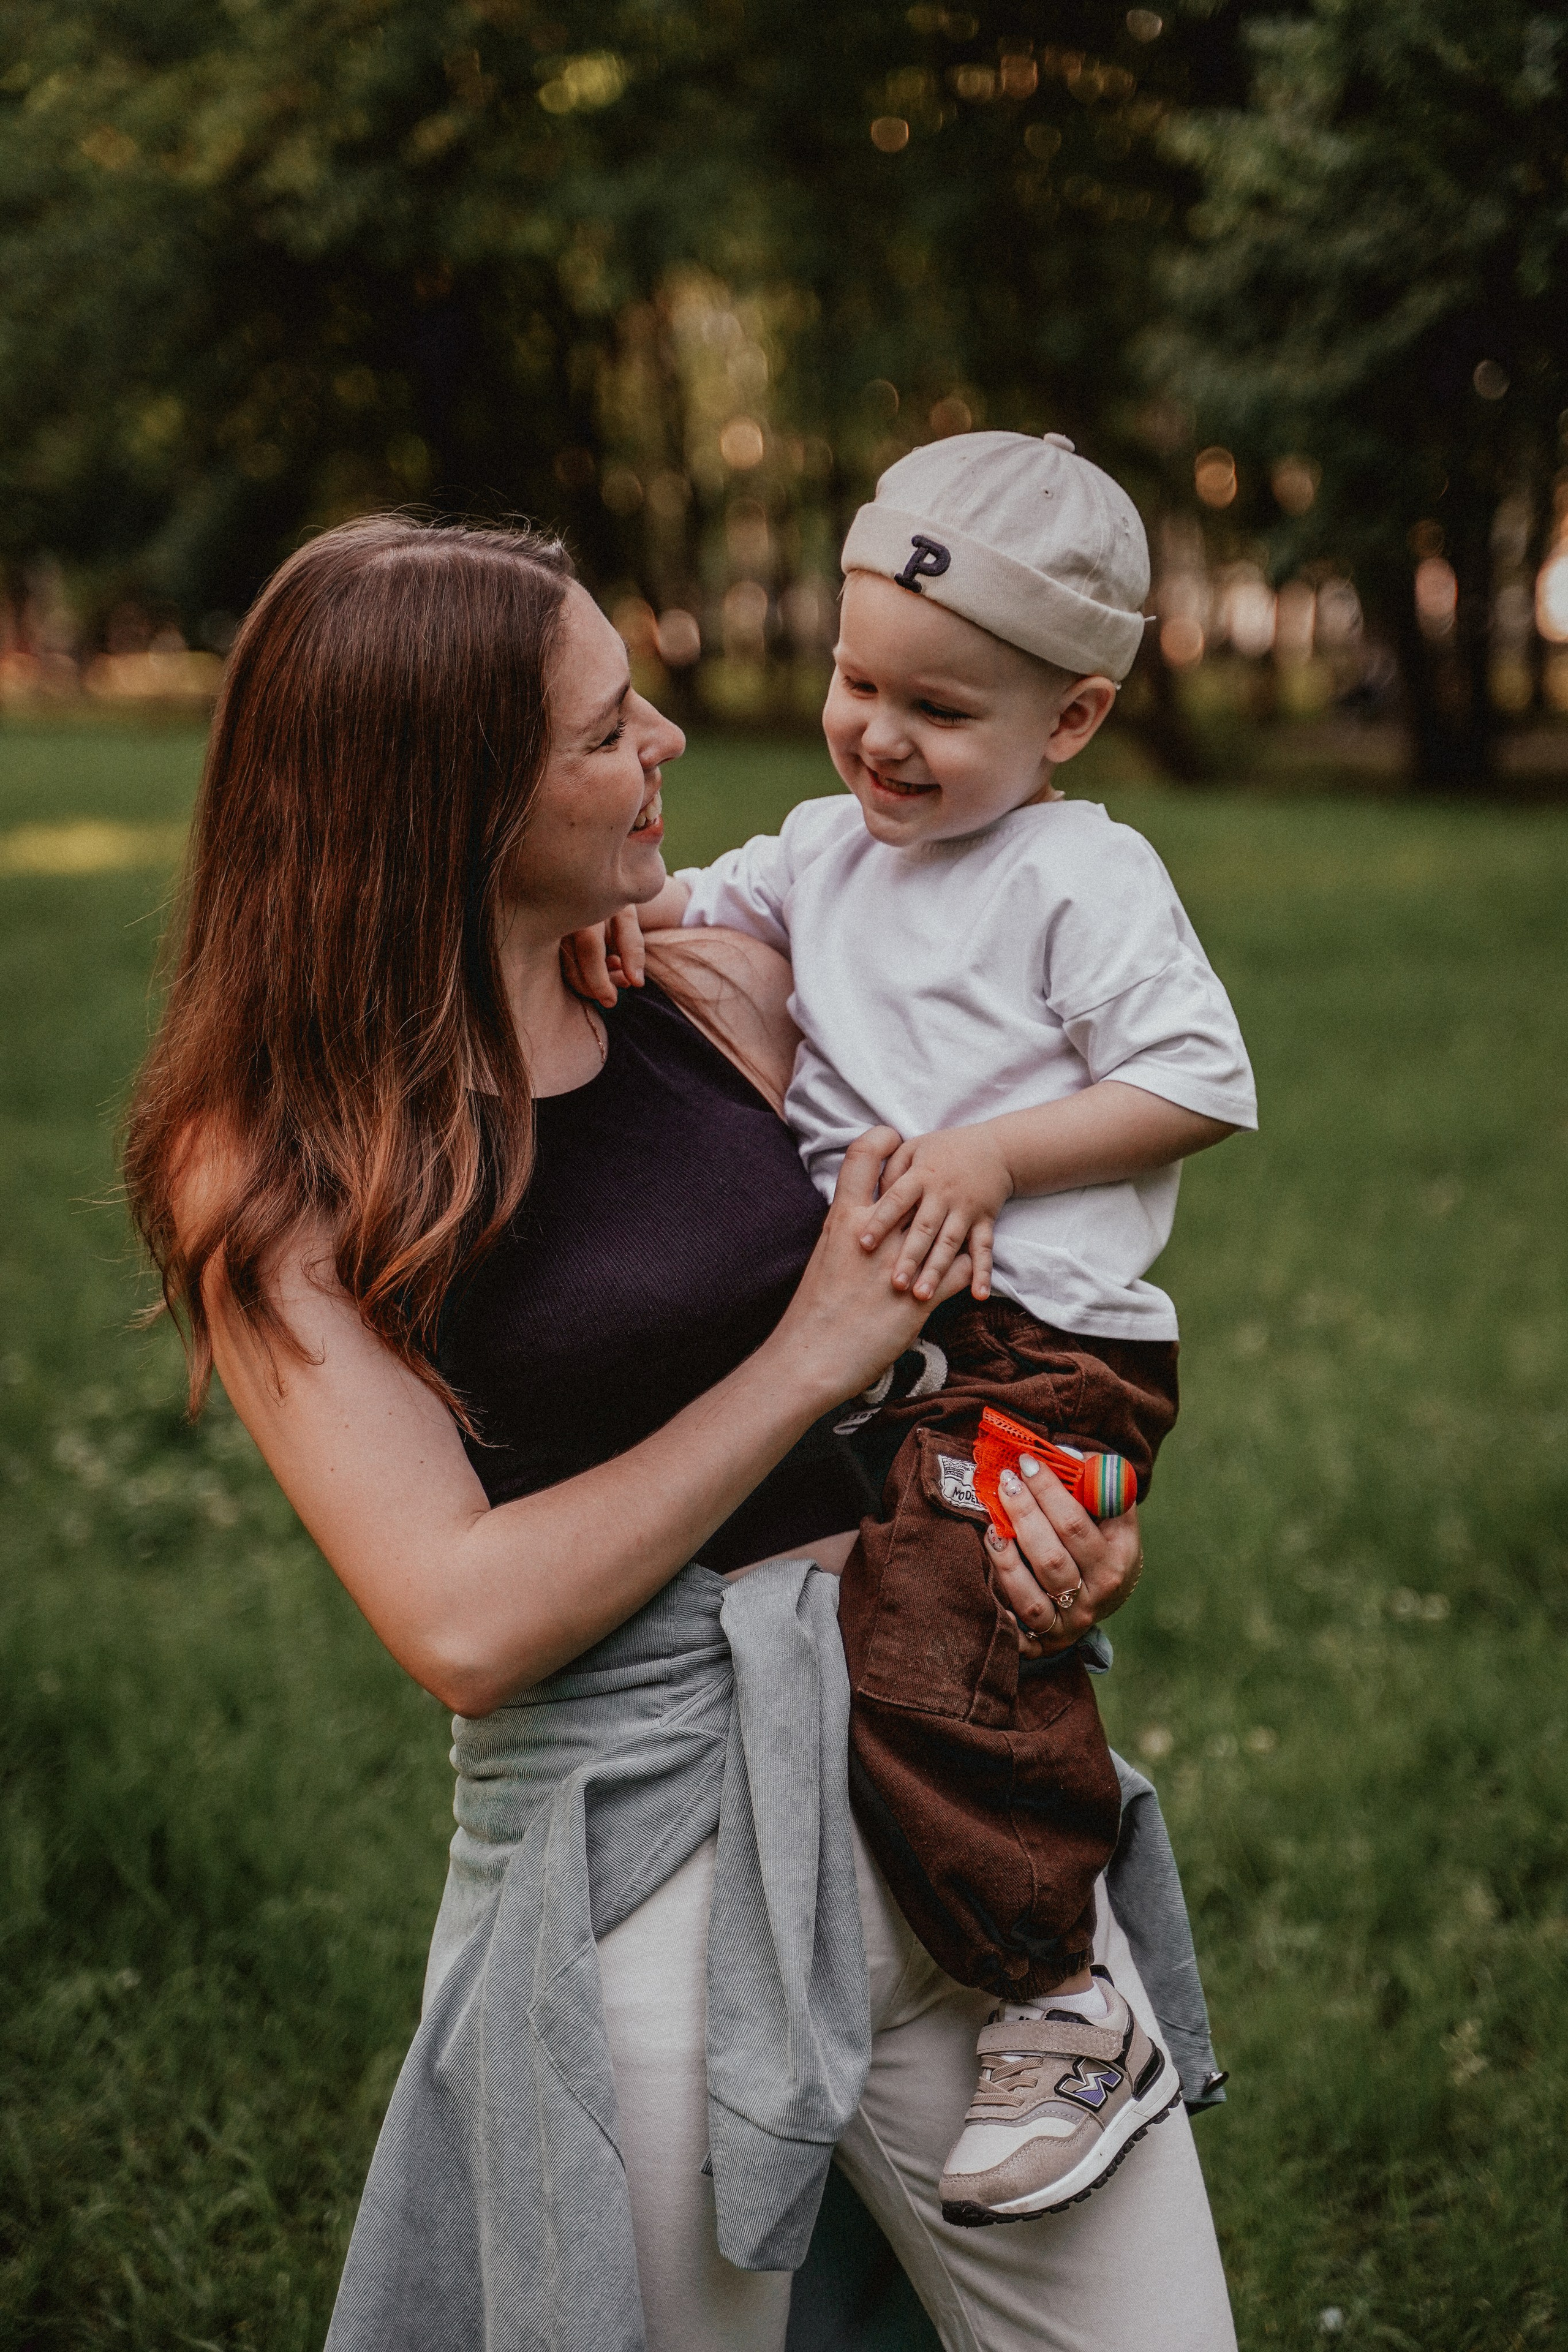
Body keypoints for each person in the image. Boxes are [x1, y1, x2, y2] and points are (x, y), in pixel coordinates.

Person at [123, 511, 1237, 2351]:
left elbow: (998, 1301)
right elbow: (462, 1621)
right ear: (448, 799)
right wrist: (808, 1358)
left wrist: (1059, 1512)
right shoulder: (272, 1165)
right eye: (604, 728)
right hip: (645, 1871)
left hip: (944, 1786)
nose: (669, 747)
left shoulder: (720, 991)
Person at [585, 431, 1257, 2226]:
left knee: (938, 1635)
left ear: (1076, 721)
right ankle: (962, 1962)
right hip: (906, 1355)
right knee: (901, 1631)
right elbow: (664, 917)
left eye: (939, 710)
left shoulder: (1077, 876)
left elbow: (1201, 1078)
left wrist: (989, 1154)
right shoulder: (823, 854)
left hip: (1056, 1352)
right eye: (855, 680)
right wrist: (602, 925)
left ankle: (1061, 1993)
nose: (878, 734)